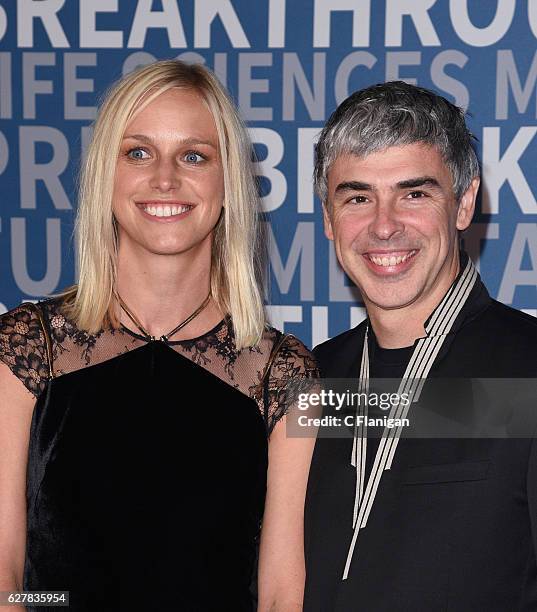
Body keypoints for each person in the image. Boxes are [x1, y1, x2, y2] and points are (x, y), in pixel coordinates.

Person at [0, 59, 317, 611]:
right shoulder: (29, 347)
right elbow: (8, 573)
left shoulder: (281, 372)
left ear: (228, 183)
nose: (164, 178)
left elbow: (280, 594)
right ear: (107, 174)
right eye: (138, 152)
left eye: (194, 156)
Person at [303, 81, 537, 610]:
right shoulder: (309, 380)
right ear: (327, 219)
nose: (384, 226)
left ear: (464, 204)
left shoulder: (529, 371)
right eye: (358, 197)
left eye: (414, 194)